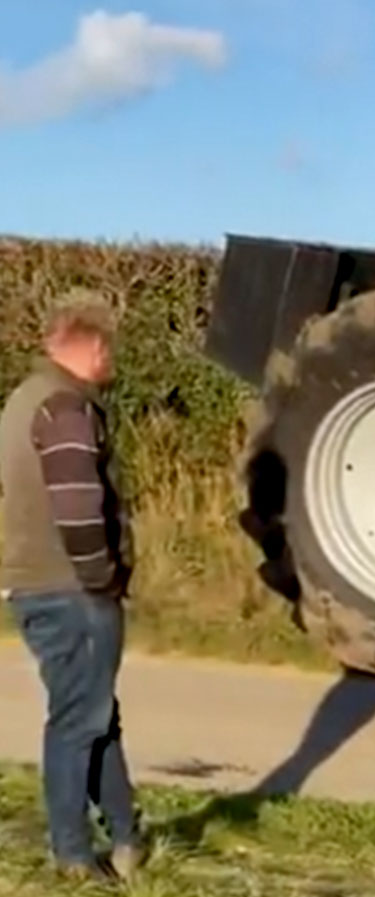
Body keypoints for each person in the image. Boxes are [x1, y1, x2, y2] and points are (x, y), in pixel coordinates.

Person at [0, 294, 141, 881]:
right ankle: (74, 856)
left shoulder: (23, 399)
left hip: (37, 584)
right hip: (70, 589)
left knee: (92, 714)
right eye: (110, 350)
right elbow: (80, 511)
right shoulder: (64, 407)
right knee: (78, 722)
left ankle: (126, 834)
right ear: (93, 345)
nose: (112, 363)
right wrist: (102, 579)